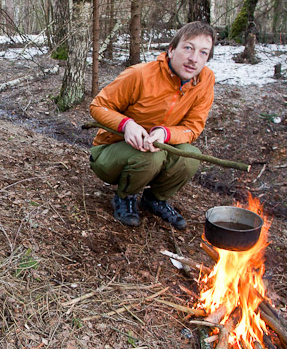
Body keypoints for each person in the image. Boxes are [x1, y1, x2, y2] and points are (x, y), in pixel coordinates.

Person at [88, 21, 216, 230]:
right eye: (188, 48)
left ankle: (155, 199)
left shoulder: (205, 81)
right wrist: (126, 124)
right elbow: (98, 106)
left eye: (203, 53)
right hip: (109, 153)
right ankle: (124, 197)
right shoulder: (140, 74)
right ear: (172, 49)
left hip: (157, 147)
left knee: (189, 156)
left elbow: (193, 127)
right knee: (151, 155)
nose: (194, 59)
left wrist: (165, 134)